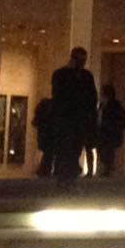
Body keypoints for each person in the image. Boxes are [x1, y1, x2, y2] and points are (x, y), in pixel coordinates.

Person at [48, 47, 98, 184]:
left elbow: (92, 98)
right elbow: (58, 96)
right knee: (66, 148)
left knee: (75, 149)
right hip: (67, 119)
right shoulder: (62, 75)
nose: (82, 63)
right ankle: (65, 175)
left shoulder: (86, 76)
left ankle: (69, 175)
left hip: (78, 120)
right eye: (81, 60)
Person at [96, 84, 125, 176]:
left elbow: (118, 116)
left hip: (110, 131)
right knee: (102, 150)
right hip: (102, 131)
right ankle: (107, 167)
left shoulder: (115, 104)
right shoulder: (102, 104)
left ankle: (108, 168)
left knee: (108, 150)